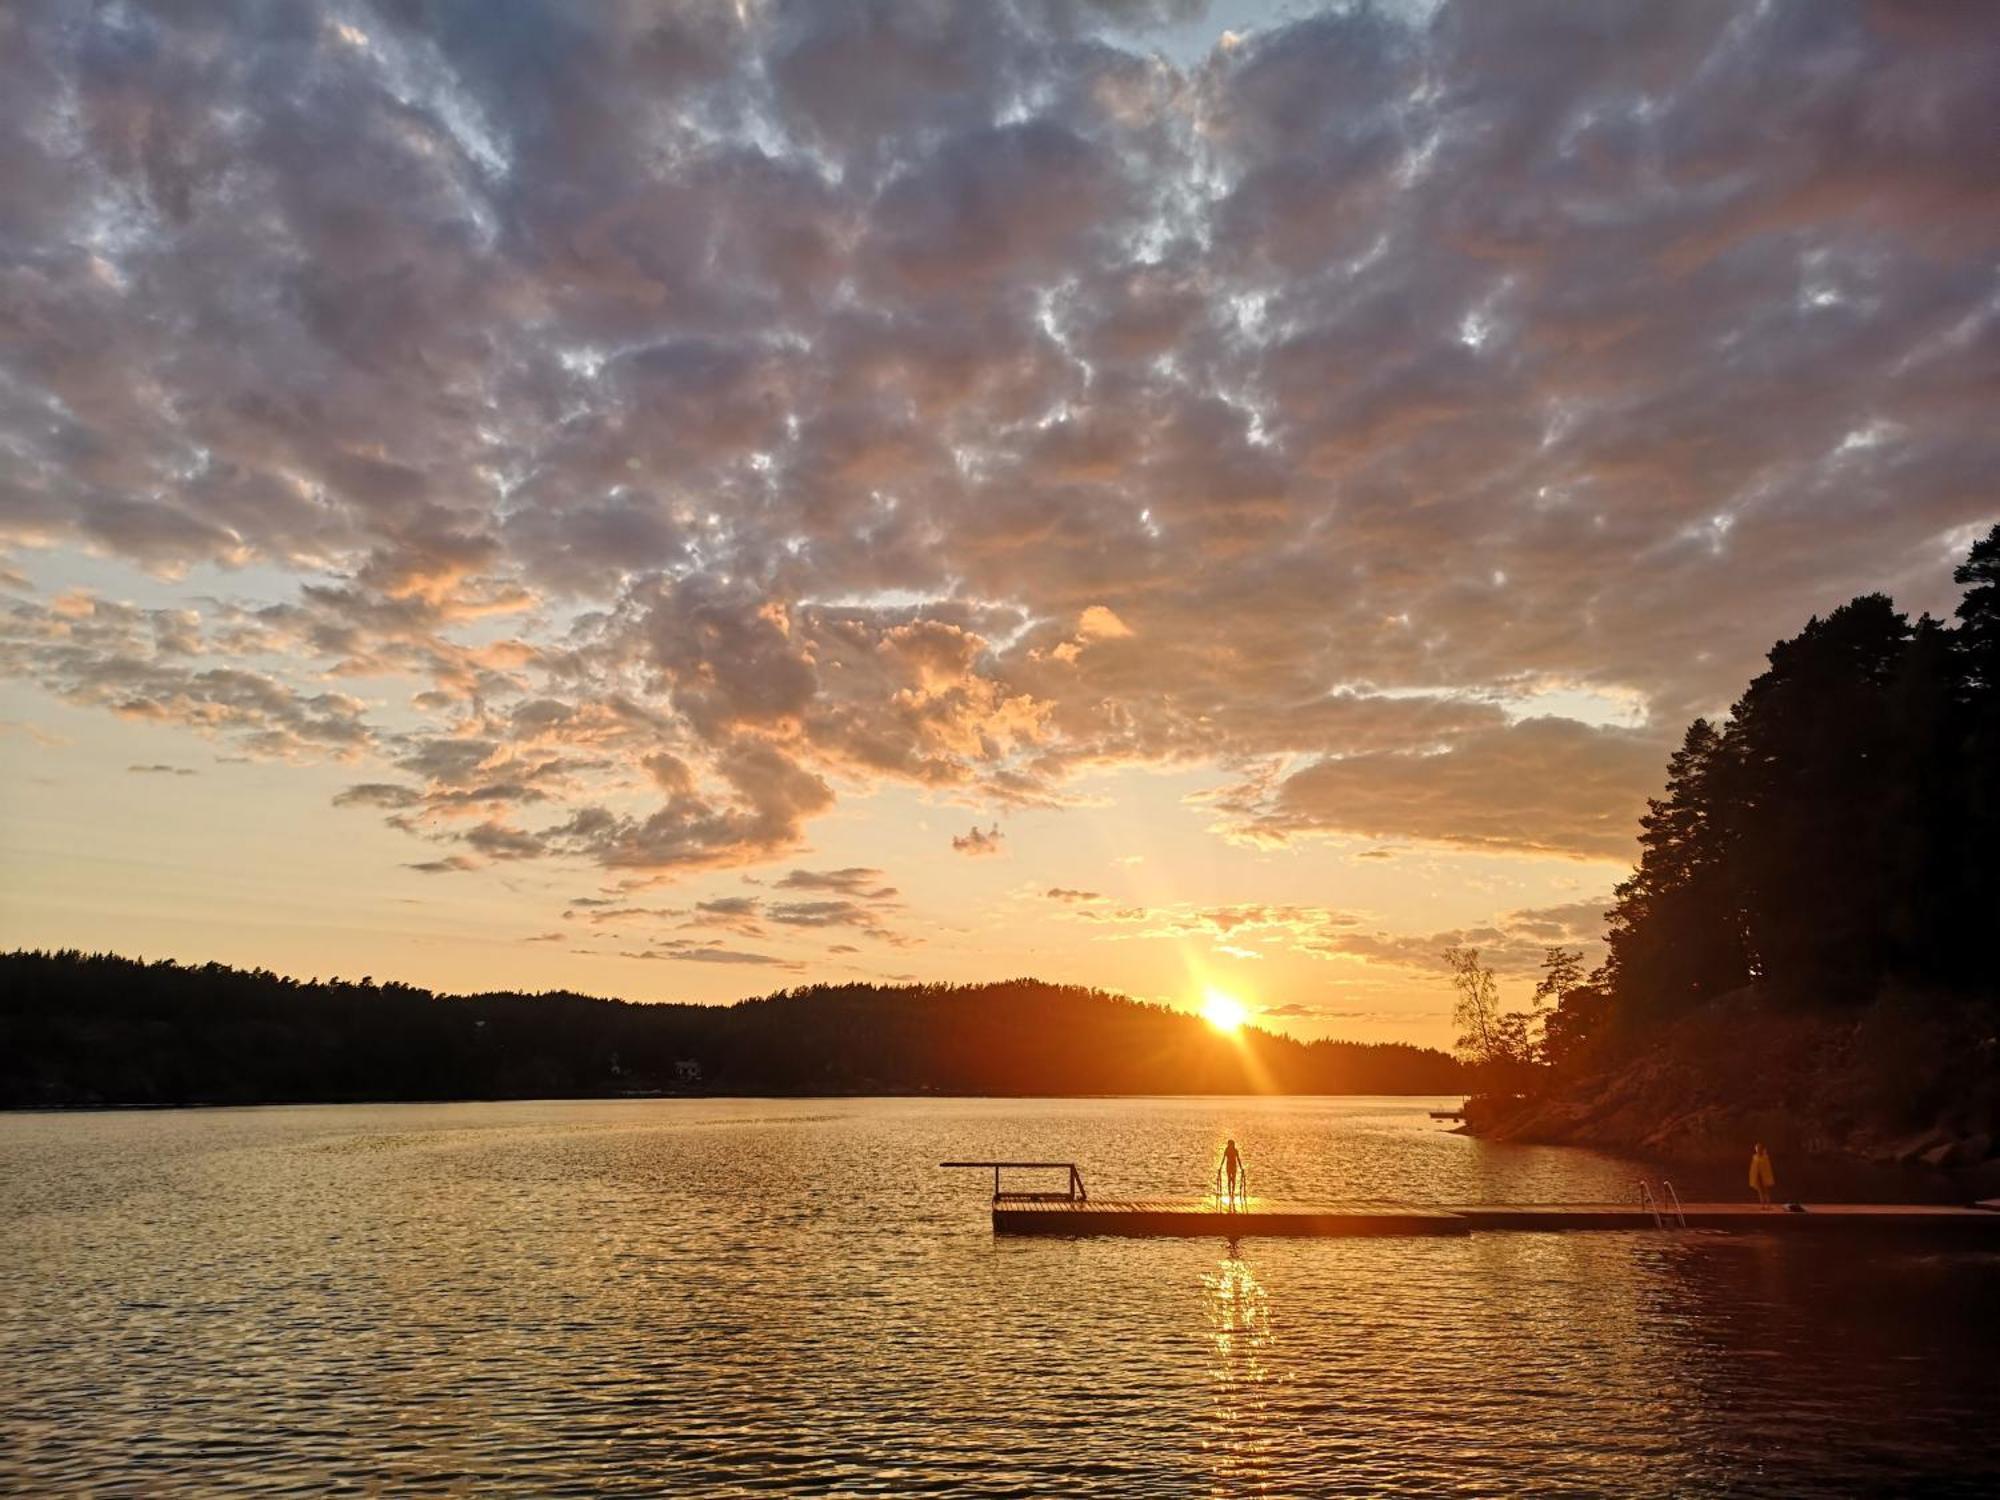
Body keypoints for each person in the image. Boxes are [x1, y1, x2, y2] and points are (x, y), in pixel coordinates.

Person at [1220, 1138, 1244, 1209]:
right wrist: (1220, 1166)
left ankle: (1233, 1192)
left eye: (1231, 1144)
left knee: (1233, 1179)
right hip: (1228, 1165)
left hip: (1234, 1165)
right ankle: (1229, 1192)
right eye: (1229, 1144)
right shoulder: (1226, 1150)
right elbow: (1223, 1158)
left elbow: (1238, 1159)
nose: (1230, 1145)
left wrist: (1241, 1167)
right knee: (1229, 1179)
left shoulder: (1235, 1150)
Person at [1749, 1143, 1776, 1208]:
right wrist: (1753, 1175)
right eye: (1756, 1148)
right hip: (1758, 1176)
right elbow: (1753, 1167)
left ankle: (1768, 1205)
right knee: (1760, 1191)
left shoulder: (1765, 1157)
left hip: (1764, 1176)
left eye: (1758, 1148)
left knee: (1766, 1191)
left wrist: (1767, 1176)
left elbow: (1767, 1167)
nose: (1757, 1150)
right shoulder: (1755, 1157)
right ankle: (1762, 1205)